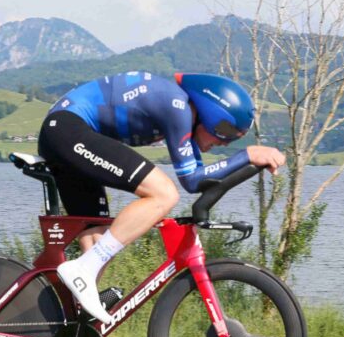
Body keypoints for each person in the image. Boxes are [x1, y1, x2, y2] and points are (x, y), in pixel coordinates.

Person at [37, 71, 285, 324]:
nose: (225, 143)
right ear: (212, 115)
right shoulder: (176, 107)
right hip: (67, 128)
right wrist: (247, 155)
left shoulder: (181, 115)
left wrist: (245, 162)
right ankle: (81, 270)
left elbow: (200, 178)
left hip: (65, 133)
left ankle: (63, 328)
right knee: (163, 194)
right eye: (227, 132)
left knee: (96, 237)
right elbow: (191, 180)